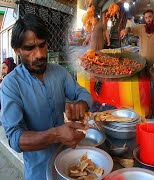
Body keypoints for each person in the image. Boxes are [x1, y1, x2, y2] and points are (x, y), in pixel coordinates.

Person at [1, 14, 93, 180]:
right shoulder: (10, 84)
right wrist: (56, 135)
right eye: (30, 48)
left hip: (68, 166)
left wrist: (81, 104)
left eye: (42, 45)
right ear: (17, 50)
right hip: (38, 172)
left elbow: (83, 93)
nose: (39, 54)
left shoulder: (59, 72)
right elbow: (15, 138)